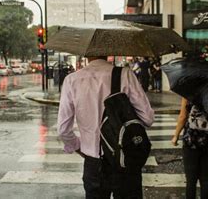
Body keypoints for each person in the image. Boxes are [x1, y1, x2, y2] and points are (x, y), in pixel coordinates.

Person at [57, 56, 154, 199]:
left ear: (86, 54)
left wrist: (79, 147)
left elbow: (63, 130)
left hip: (94, 163)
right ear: (108, 50)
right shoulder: (125, 74)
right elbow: (148, 118)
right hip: (124, 159)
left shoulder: (72, 80)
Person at [172, 97, 208, 199]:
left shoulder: (190, 91)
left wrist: (176, 135)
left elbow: (183, 116)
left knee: (191, 180)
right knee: (205, 178)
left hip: (192, 139)